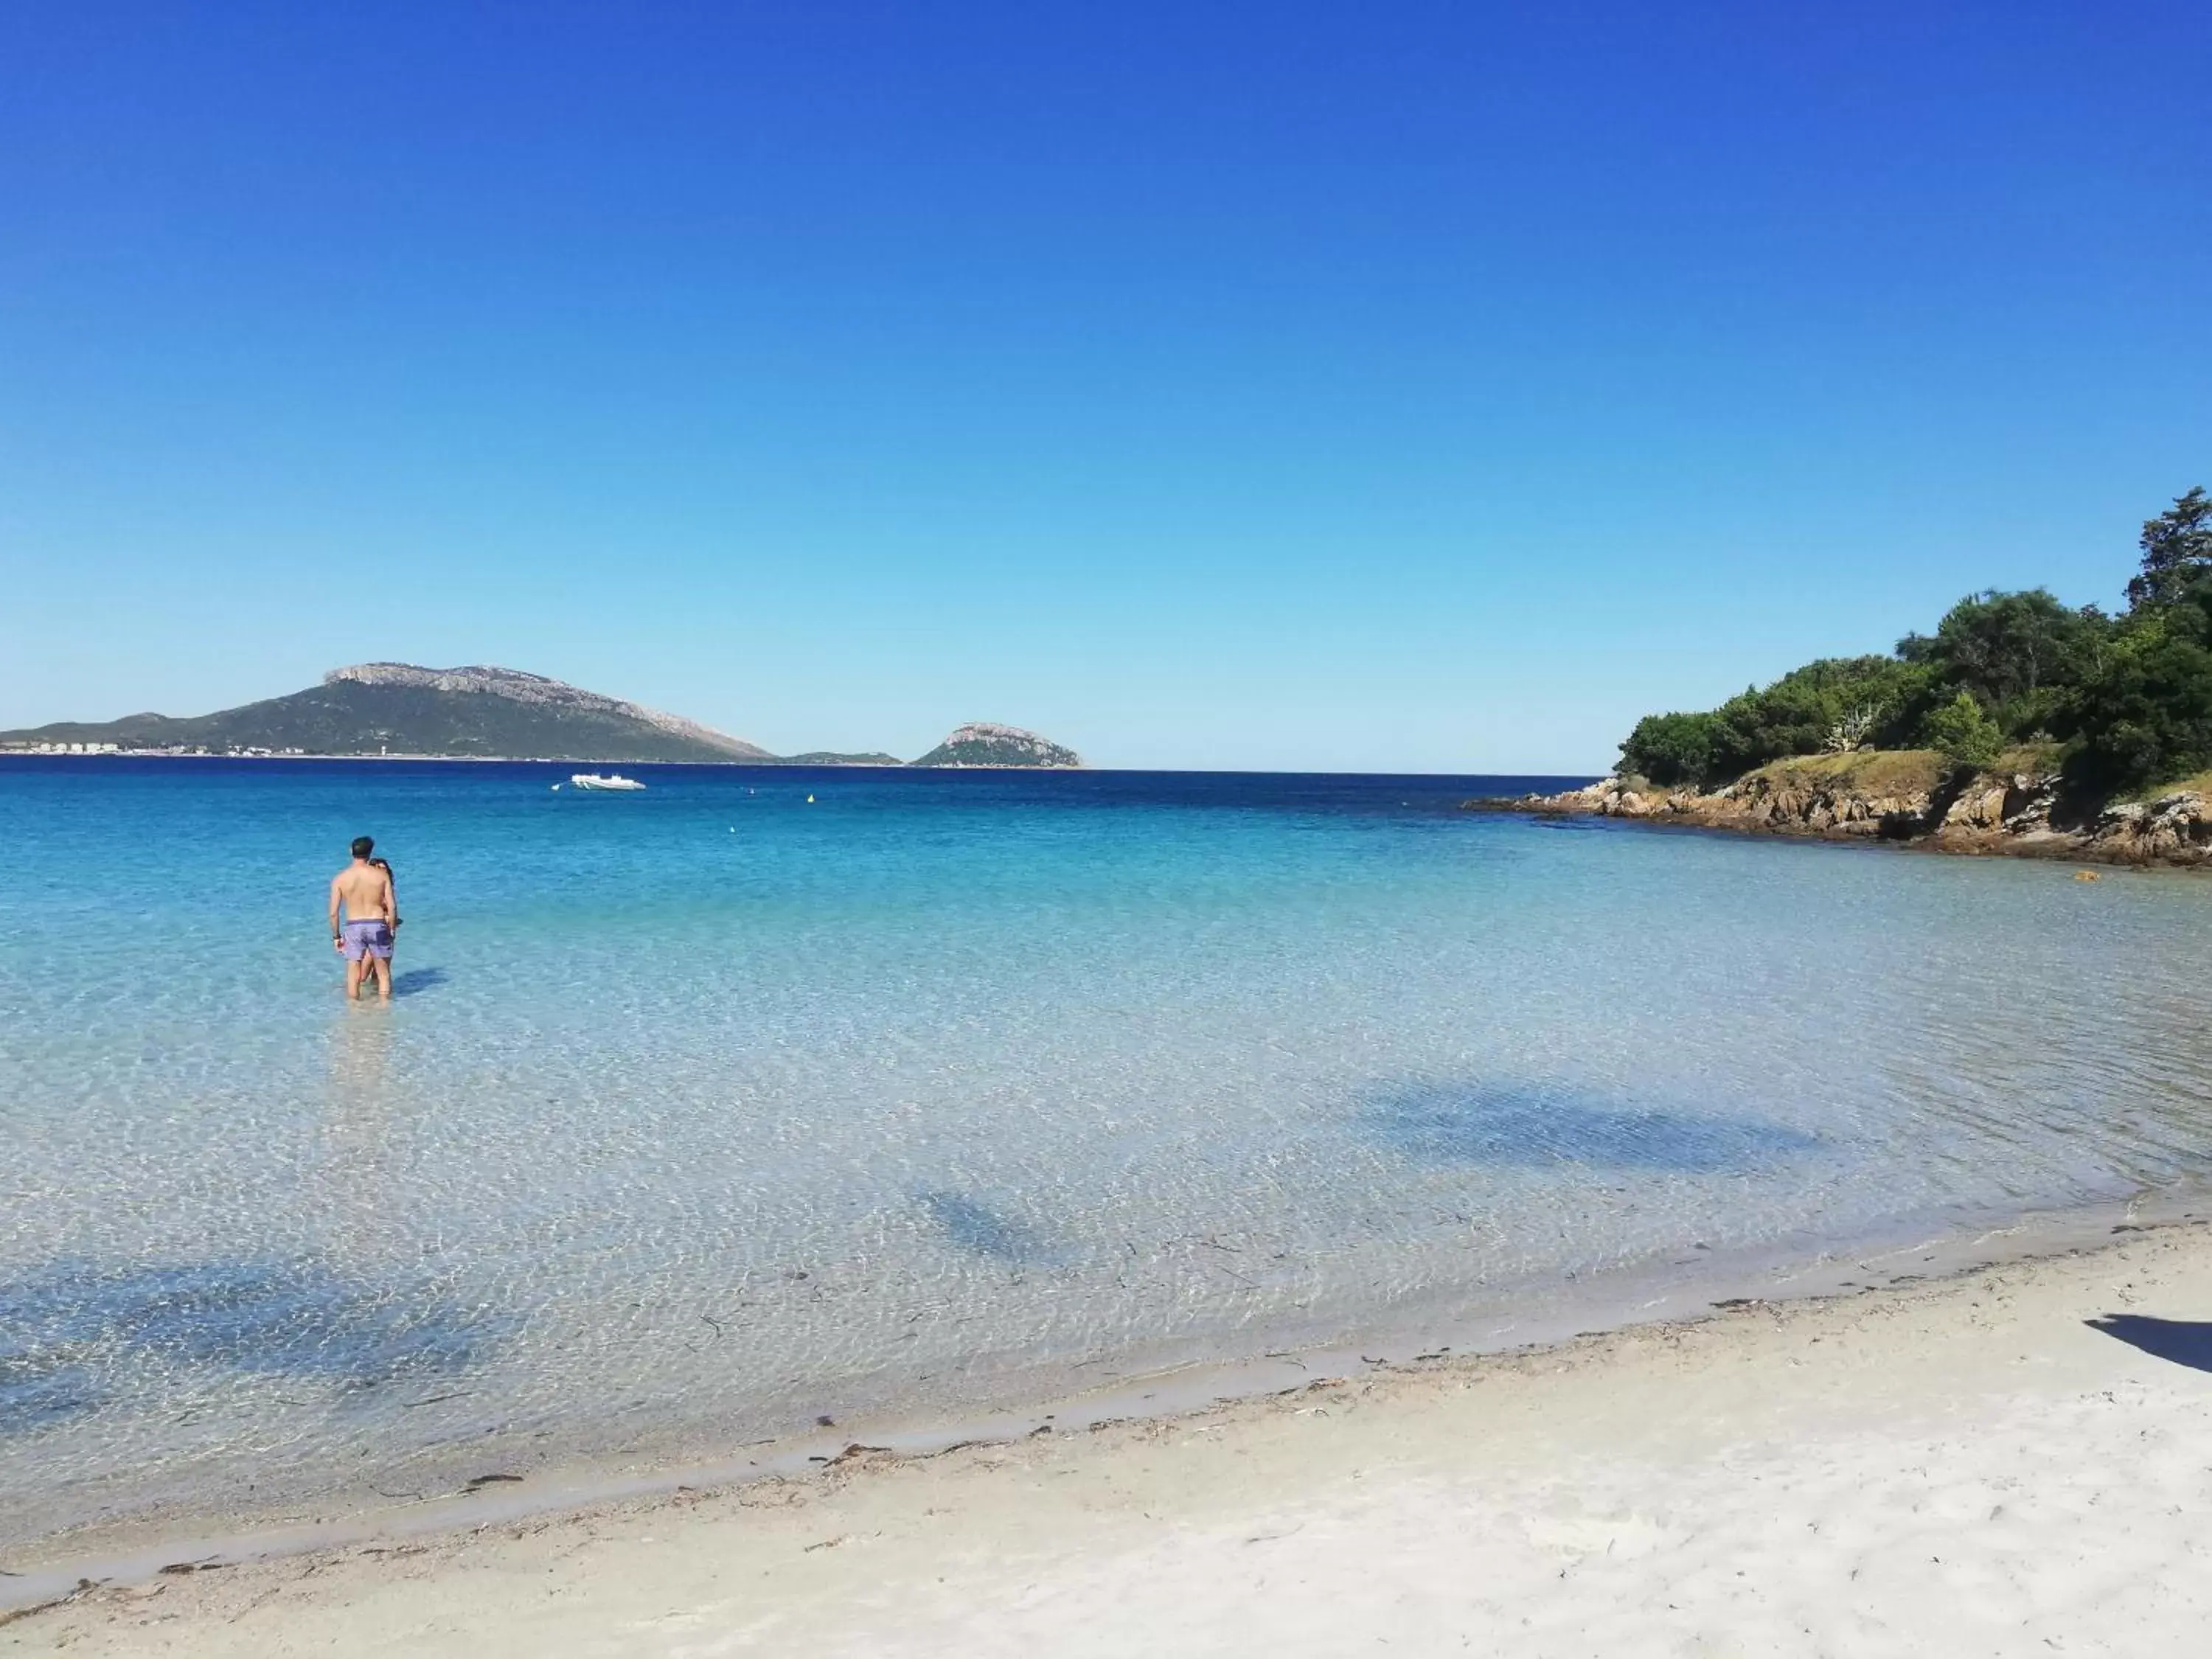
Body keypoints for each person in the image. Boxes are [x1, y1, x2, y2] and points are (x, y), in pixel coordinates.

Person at [329, 835, 397, 1001]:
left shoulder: (340, 878)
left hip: (354, 925)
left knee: (353, 973)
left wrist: (336, 936)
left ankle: (354, 1010)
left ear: (351, 851)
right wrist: (392, 928)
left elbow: (334, 912)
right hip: (377, 923)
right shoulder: (381, 876)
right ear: (370, 852)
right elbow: (392, 906)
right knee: (383, 974)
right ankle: (384, 1009)